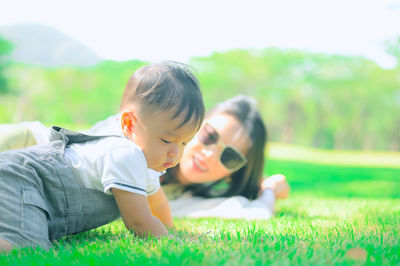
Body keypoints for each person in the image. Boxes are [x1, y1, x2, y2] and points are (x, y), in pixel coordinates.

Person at [0, 61, 205, 252]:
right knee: (24, 249)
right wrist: (174, 244)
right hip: (24, 178)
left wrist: (171, 231)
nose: (175, 153)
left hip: (33, 188)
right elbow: (139, 222)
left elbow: (157, 205)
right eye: (167, 141)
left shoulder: (146, 167)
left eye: (184, 143)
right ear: (129, 123)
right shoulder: (125, 154)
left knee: (35, 237)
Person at [0, 95, 290, 222]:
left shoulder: (188, 196)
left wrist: (267, 191)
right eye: (209, 136)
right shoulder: (136, 137)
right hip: (33, 144)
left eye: (229, 156)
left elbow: (256, 214)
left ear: (233, 173)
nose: (209, 152)